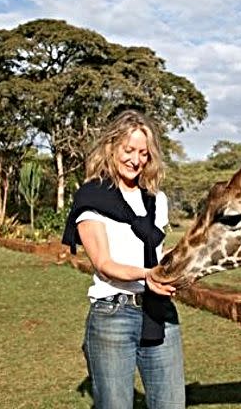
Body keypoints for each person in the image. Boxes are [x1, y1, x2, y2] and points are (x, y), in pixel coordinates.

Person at [62, 110, 185, 408]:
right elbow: (104, 264)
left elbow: (158, 253)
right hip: (113, 314)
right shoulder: (93, 197)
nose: (136, 159)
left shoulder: (157, 199)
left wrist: (182, 264)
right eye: (128, 150)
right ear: (111, 147)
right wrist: (148, 275)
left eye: (143, 153)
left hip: (160, 313)